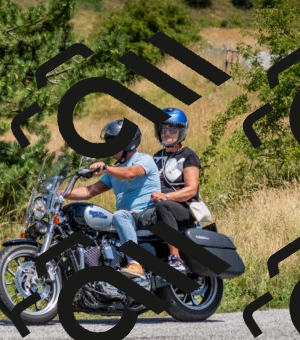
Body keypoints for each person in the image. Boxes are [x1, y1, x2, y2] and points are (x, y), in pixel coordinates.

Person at [61, 119, 160, 278]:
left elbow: (131, 173)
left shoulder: (144, 159)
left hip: (147, 215)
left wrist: (106, 168)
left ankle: (135, 262)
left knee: (119, 215)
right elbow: (89, 191)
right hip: (129, 218)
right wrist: (60, 192)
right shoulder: (116, 170)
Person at [150, 108, 201, 274]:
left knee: (163, 206)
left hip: (184, 208)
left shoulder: (188, 155)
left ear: (181, 132)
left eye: (172, 129)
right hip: (158, 206)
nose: (167, 133)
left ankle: (175, 258)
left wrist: (166, 196)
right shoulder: (156, 156)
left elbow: (191, 190)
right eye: (163, 129)